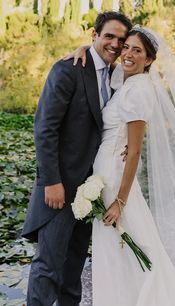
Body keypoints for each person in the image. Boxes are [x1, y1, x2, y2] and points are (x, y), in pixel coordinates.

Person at [65, 26, 175, 306]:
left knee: (125, 246)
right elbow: (102, 63)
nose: (129, 54)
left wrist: (120, 200)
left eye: (137, 50)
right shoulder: (126, 83)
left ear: (150, 59)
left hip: (115, 183)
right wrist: (85, 48)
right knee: (122, 249)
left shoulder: (139, 91)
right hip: (106, 178)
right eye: (127, 47)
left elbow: (133, 153)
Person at [21, 11, 132, 306]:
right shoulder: (68, 69)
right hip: (60, 187)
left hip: (92, 190)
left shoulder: (117, 77)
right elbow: (45, 129)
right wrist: (52, 181)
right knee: (48, 268)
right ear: (93, 35)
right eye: (109, 35)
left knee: (73, 270)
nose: (115, 43)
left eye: (121, 40)